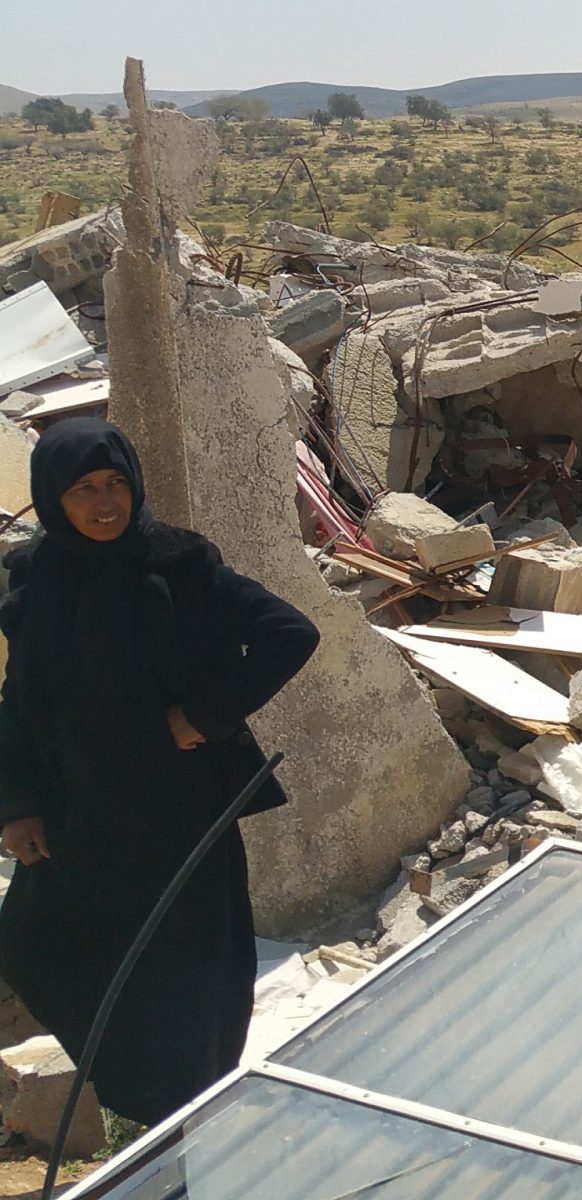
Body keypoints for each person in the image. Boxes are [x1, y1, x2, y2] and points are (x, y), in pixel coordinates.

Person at [0, 418, 318, 1125]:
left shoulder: (177, 562)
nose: (105, 502)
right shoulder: (36, 575)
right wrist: (15, 803)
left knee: (187, 978)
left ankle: (186, 1115)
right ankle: (131, 1096)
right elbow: (18, 699)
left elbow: (289, 632)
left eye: (116, 483)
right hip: (78, 807)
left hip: (178, 814)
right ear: (54, 499)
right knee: (31, 943)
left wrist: (205, 715)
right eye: (83, 489)